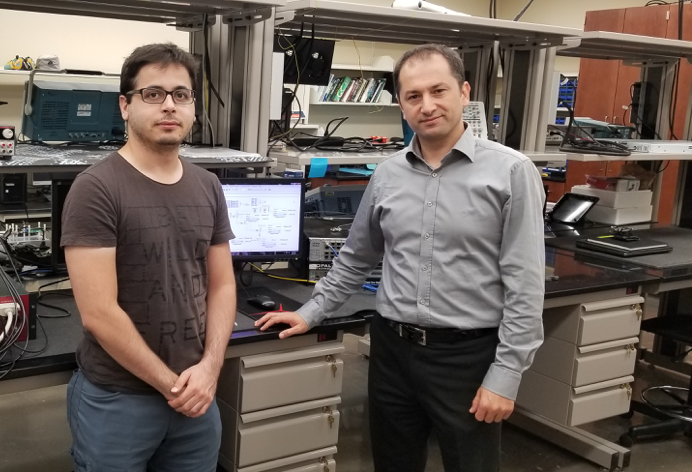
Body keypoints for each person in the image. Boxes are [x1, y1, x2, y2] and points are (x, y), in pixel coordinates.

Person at [255, 43, 546, 472]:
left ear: (464, 93)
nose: (427, 106)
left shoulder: (511, 172)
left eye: (438, 91)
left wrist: (505, 375)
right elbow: (356, 257)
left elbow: (525, 284)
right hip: (391, 351)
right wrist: (312, 312)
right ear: (402, 106)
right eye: (413, 96)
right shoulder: (388, 173)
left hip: (466, 358)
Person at [60, 43, 236, 472]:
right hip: (119, 401)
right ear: (125, 105)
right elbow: (98, 314)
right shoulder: (96, 188)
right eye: (153, 94)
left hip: (197, 395)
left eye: (181, 94)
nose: (169, 106)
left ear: (193, 107)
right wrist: (172, 385)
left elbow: (222, 284)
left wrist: (210, 369)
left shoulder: (208, 185)